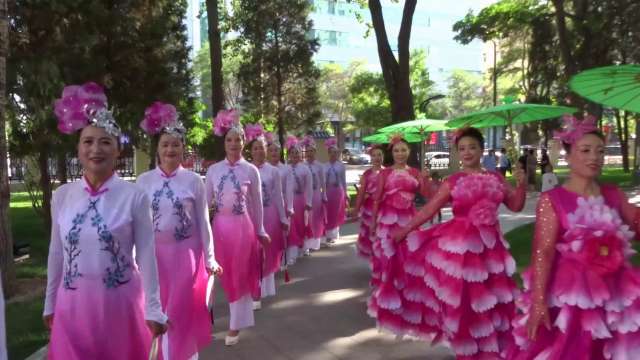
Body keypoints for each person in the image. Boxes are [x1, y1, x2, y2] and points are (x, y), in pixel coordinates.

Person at [45, 82, 167, 359]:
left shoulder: (134, 196)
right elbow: (56, 253)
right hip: (72, 306)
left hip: (119, 306)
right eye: (88, 141)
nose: (95, 149)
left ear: (117, 151)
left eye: (105, 142)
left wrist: (153, 307)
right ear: (78, 149)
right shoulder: (62, 196)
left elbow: (147, 256)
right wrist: (49, 302)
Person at [510, 115, 640, 359]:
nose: (595, 157)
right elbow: (543, 251)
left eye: (600, 151)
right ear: (568, 157)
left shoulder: (614, 195)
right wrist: (539, 301)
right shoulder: (554, 199)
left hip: (615, 295)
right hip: (571, 298)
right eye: (586, 150)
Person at [392, 127, 527, 359]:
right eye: (462, 148)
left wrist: (522, 184)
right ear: (457, 153)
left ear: (482, 150)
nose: (467, 152)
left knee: (493, 300)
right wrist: (405, 229)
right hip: (462, 251)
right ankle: (466, 349)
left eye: (472, 147)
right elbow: (429, 209)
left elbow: (515, 205)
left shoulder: (495, 178)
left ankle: (491, 348)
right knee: (467, 302)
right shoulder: (453, 181)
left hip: (492, 251)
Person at [136, 102, 221, 359]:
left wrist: (209, 257)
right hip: (153, 258)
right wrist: (133, 258)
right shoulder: (143, 181)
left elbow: (203, 222)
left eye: (175, 144)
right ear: (157, 150)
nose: (170, 149)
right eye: (165, 145)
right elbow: (136, 225)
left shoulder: (194, 181)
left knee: (180, 310)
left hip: (185, 257)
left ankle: (184, 354)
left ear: (183, 148)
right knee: (156, 308)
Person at [205, 109, 270, 346]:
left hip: (243, 228)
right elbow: (204, 204)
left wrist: (261, 230)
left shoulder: (251, 170)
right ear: (224, 143)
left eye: (238, 139)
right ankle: (228, 317)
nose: (234, 144)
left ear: (244, 142)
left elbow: (257, 204)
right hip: (220, 229)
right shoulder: (214, 170)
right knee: (226, 275)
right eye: (229, 140)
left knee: (240, 274)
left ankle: (235, 324)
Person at [368, 134, 431, 337]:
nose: (400, 154)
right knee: (390, 262)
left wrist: (426, 179)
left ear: (409, 152)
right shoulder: (384, 174)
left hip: (410, 221)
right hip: (388, 223)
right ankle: (388, 303)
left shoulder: (415, 172)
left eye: (404, 150)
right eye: (396, 151)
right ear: (392, 153)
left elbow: (429, 195)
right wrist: (373, 223)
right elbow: (377, 200)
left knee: (410, 262)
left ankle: (408, 303)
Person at [246, 124, 288, 306]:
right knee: (253, 253)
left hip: (270, 216)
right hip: (250, 217)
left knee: (268, 251)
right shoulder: (245, 169)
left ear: (266, 150)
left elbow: (278, 196)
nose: (259, 151)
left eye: (261, 148)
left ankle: (265, 288)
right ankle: (253, 289)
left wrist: (283, 218)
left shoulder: (274, 171)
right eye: (255, 148)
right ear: (251, 151)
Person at [284, 136, 312, 264]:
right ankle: (292, 252)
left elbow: (309, 187)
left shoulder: (305, 169)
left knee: (301, 224)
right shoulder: (285, 168)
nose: (295, 155)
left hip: (301, 201)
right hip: (288, 201)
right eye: (292, 153)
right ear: (289, 155)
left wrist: (308, 202)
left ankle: (302, 246)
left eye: (297, 153)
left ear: (300, 154)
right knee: (291, 226)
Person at [352, 145, 384, 259]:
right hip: (369, 207)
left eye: (379, 155)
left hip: (384, 207)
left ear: (383, 157)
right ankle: (373, 258)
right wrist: (356, 209)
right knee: (370, 232)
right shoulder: (367, 174)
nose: (377, 158)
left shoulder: (388, 172)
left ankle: (381, 258)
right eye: (374, 155)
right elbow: (361, 193)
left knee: (382, 233)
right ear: (371, 158)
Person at [302, 135, 327, 254]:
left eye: (312, 151)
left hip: (317, 196)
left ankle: (315, 242)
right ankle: (306, 244)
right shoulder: (303, 166)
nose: (310, 153)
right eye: (308, 151)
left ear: (315, 152)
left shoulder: (320, 166)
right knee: (307, 219)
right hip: (306, 197)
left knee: (316, 219)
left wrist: (324, 195)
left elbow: (323, 183)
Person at [323, 137, 348, 244]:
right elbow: (322, 182)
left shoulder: (341, 166)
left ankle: (334, 234)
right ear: (328, 154)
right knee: (329, 212)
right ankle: (327, 235)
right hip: (328, 191)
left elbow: (343, 180)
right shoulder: (324, 166)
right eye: (331, 152)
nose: (333, 154)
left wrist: (346, 193)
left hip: (338, 192)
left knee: (336, 213)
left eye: (335, 152)